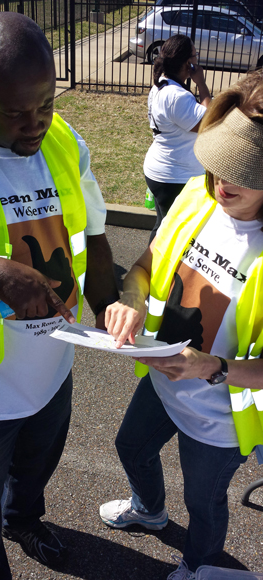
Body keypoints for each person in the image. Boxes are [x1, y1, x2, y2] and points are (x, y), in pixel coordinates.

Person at [0, 11, 119, 580]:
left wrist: (114, 307)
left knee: (33, 475)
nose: (35, 124)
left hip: (52, 369)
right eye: (15, 113)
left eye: (45, 104)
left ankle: (26, 518)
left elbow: (95, 236)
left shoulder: (65, 139)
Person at [99, 70, 263, 579]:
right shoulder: (195, 193)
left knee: (205, 502)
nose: (221, 182)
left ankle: (200, 563)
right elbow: (146, 265)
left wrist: (211, 367)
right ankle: (149, 510)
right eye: (218, 164)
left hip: (220, 418)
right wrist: (129, 298)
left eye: (244, 171)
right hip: (163, 376)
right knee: (130, 446)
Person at [144, 34, 211, 243]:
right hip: (174, 178)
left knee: (163, 226)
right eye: (195, 55)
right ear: (187, 62)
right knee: (174, 234)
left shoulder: (161, 86)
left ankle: (151, 269)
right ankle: (155, 270)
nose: (197, 59)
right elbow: (209, 122)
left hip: (163, 171)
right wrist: (201, 83)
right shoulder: (177, 96)